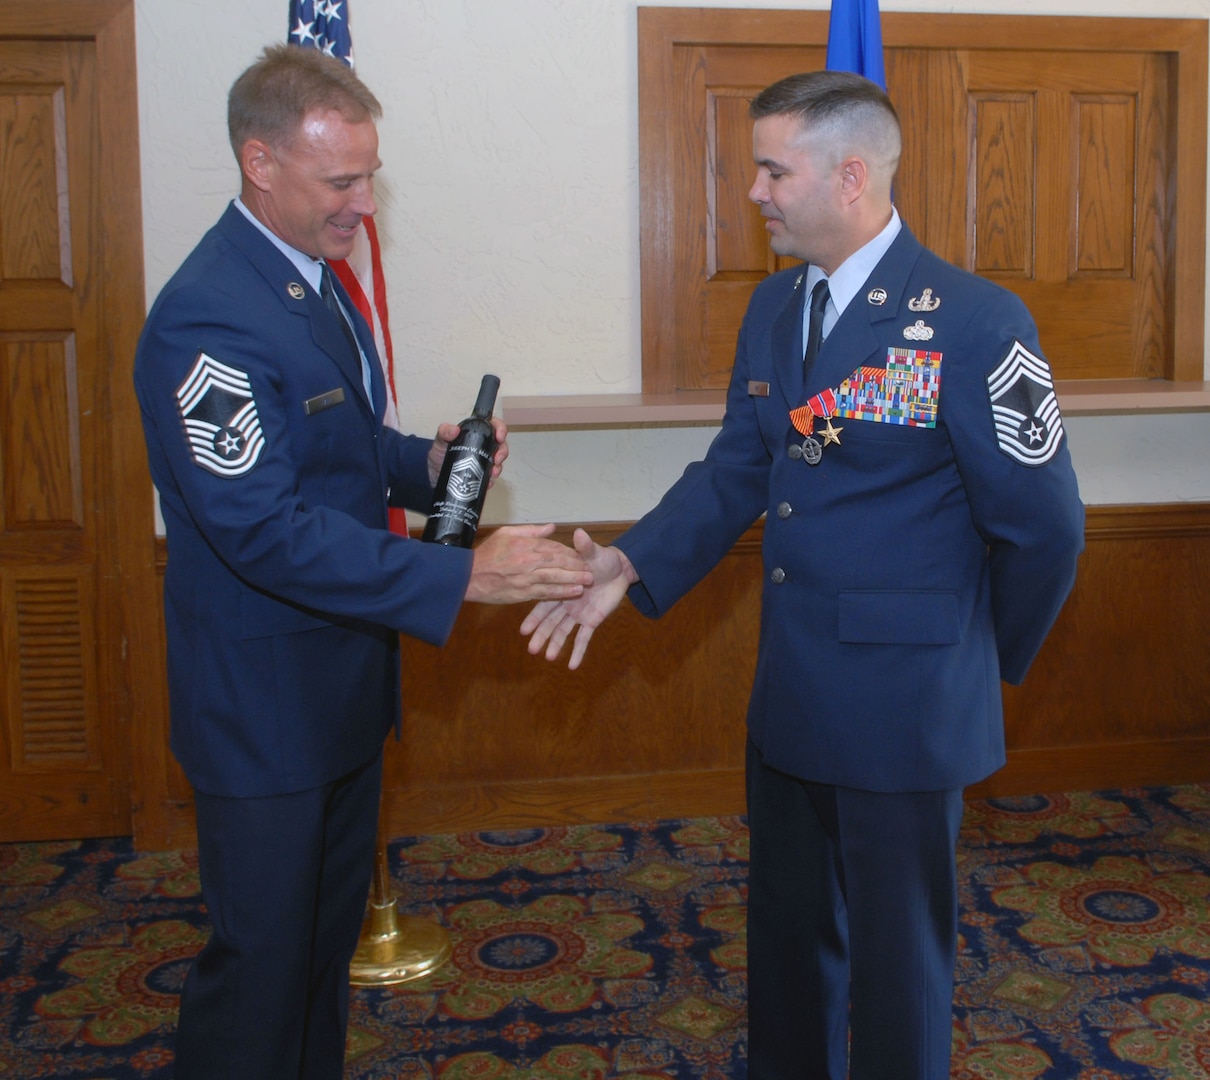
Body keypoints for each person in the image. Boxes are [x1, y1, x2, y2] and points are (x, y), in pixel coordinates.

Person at [523, 70, 1084, 1079]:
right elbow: (741, 464)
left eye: (773, 169)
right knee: (785, 942)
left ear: (850, 175)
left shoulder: (971, 322)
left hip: (906, 707)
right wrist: (628, 559)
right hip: (791, 694)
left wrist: (976, 660)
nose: (755, 192)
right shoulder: (777, 310)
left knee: (898, 962)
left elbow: (1045, 530)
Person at [133, 44, 591, 1080]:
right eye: (341, 180)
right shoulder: (209, 316)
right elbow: (262, 527)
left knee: (315, 962)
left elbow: (335, 449)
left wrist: (430, 467)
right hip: (262, 713)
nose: (363, 205)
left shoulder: (309, 285)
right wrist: (464, 573)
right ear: (259, 162)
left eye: (368, 176)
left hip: (334, 693)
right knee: (258, 976)